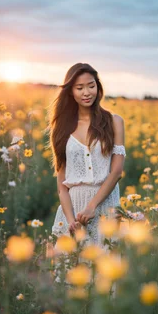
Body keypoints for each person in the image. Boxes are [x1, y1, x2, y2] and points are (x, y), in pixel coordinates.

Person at [45, 63, 126, 247]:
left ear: (98, 87)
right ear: (71, 92)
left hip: (105, 207)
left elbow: (116, 172)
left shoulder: (114, 121)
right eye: (79, 88)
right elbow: (62, 185)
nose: (87, 92)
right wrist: (71, 220)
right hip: (73, 211)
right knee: (70, 272)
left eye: (91, 85)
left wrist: (92, 207)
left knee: (105, 269)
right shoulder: (61, 128)